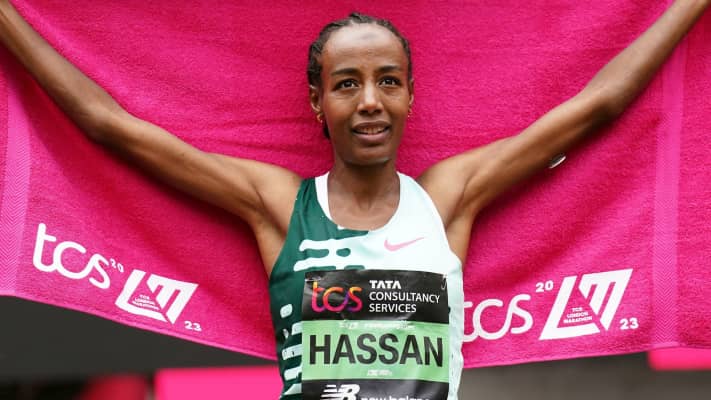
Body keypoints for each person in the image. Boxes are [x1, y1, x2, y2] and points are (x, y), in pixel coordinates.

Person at [1, 1, 708, 399]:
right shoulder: (279, 204)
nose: (369, 101)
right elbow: (109, 126)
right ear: (318, 103)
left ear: (409, 96)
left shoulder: (447, 198)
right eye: (346, 84)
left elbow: (598, 106)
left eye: (387, 80)